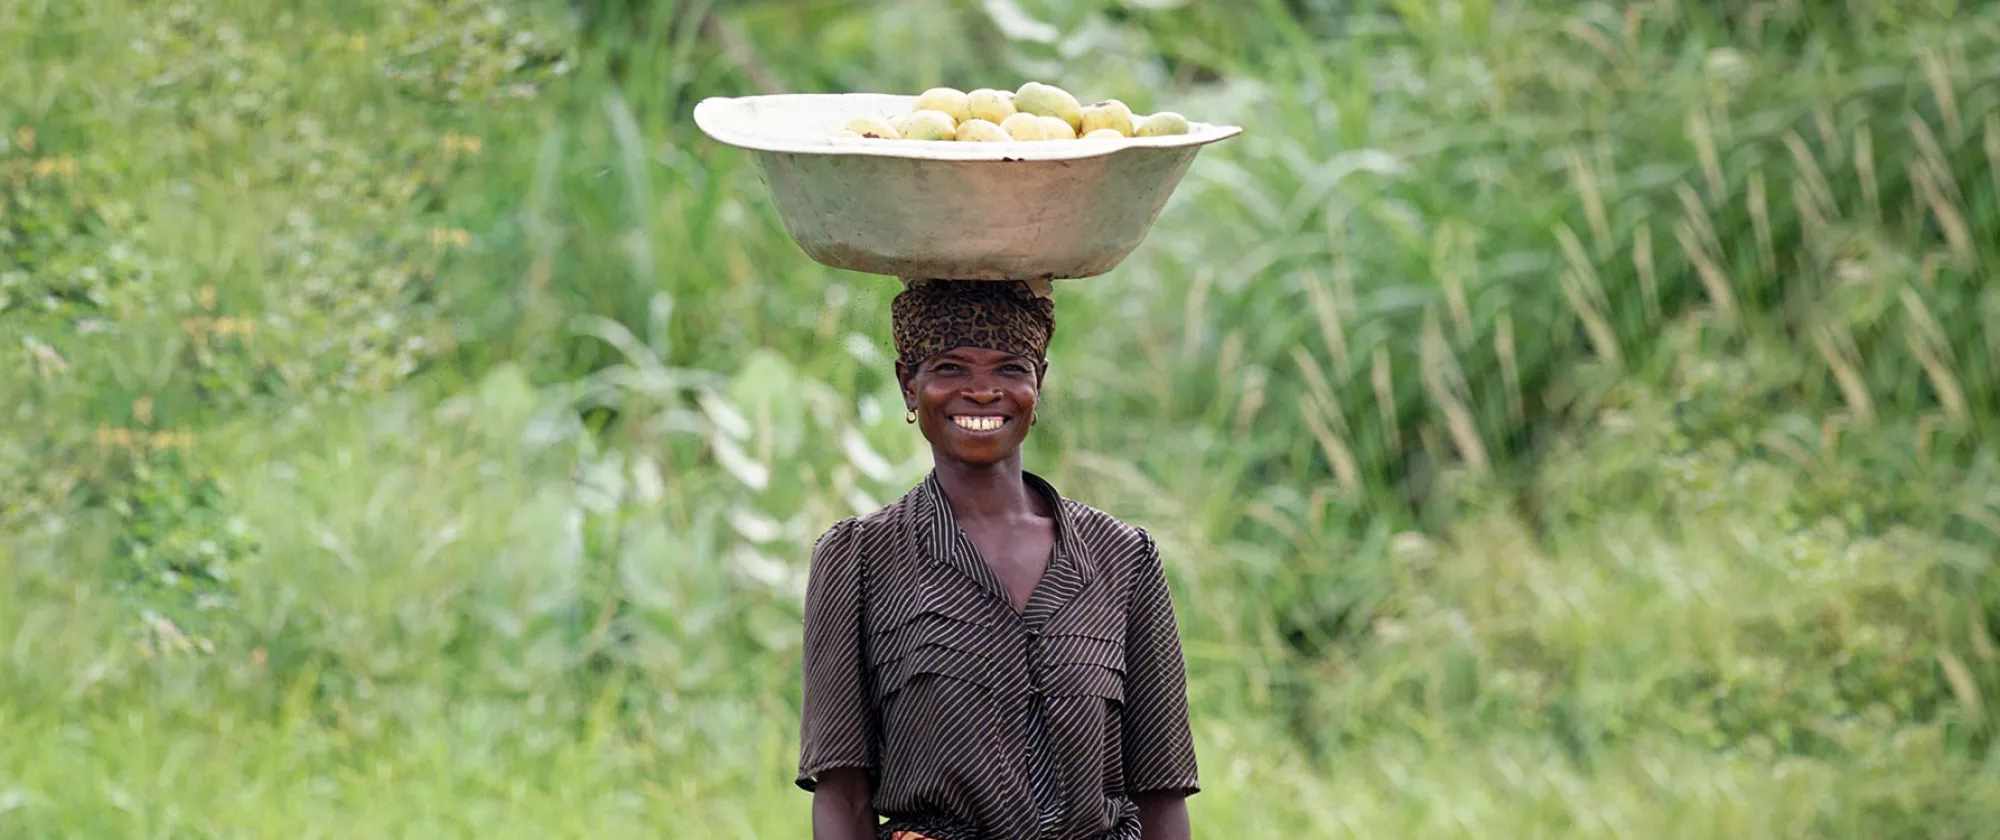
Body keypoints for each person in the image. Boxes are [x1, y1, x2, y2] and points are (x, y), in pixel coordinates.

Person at [796, 279, 1199, 840]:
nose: (983, 391)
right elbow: (844, 796)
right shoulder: (860, 560)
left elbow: (1162, 792)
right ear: (908, 386)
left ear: (1039, 385)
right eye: (951, 368)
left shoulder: (1122, 559)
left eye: (1010, 368)